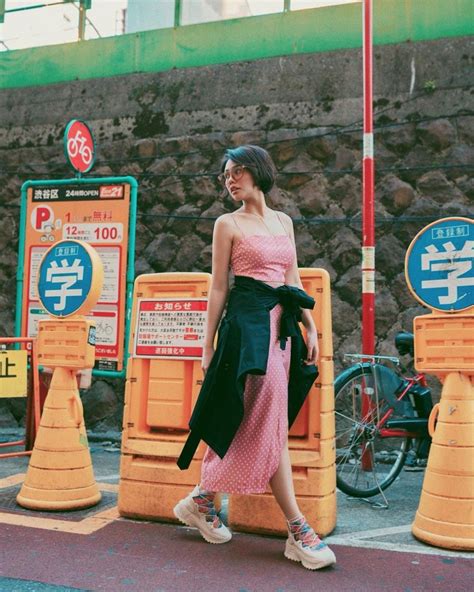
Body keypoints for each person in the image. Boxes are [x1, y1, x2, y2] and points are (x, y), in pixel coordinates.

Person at [174, 145, 336, 570]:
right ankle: (297, 528)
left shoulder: (283, 221)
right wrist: (206, 345)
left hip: (280, 329)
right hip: (246, 327)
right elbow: (218, 288)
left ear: (258, 172)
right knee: (266, 416)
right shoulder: (227, 224)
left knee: (259, 414)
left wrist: (310, 324)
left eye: (238, 171)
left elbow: (292, 277)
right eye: (226, 174)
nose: (231, 179)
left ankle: (202, 500)